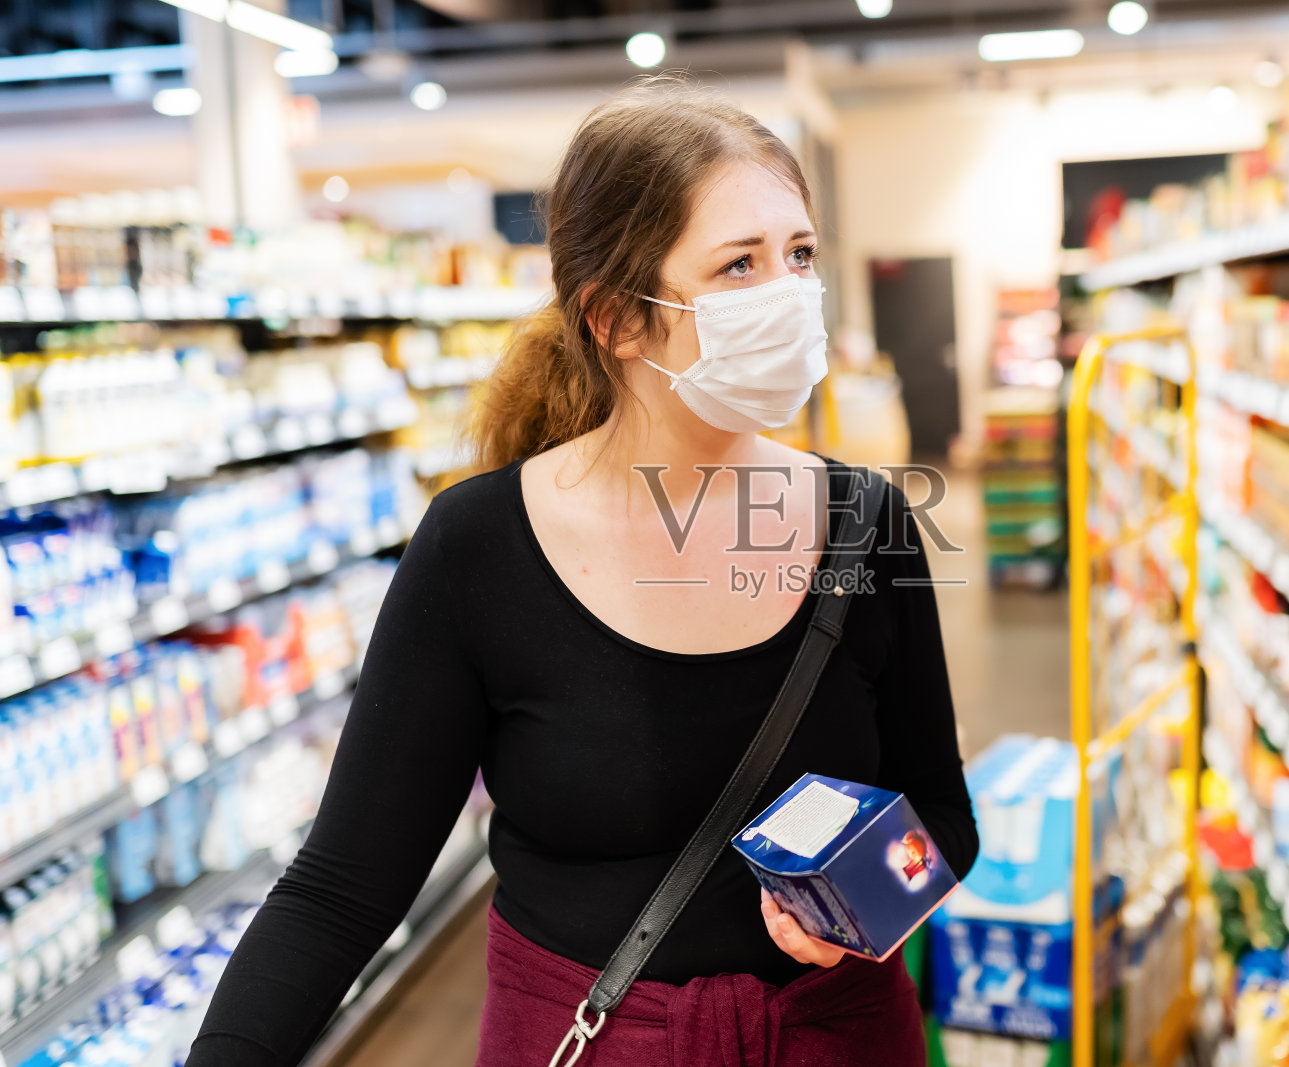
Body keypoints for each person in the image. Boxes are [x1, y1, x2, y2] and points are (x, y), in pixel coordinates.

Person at [187, 77, 978, 1067]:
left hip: (838, 1036)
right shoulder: (477, 547)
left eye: (799, 254)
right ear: (613, 317)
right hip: (584, 1042)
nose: (788, 293)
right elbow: (341, 885)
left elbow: (940, 811)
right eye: (738, 264)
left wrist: (876, 895)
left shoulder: (869, 521)